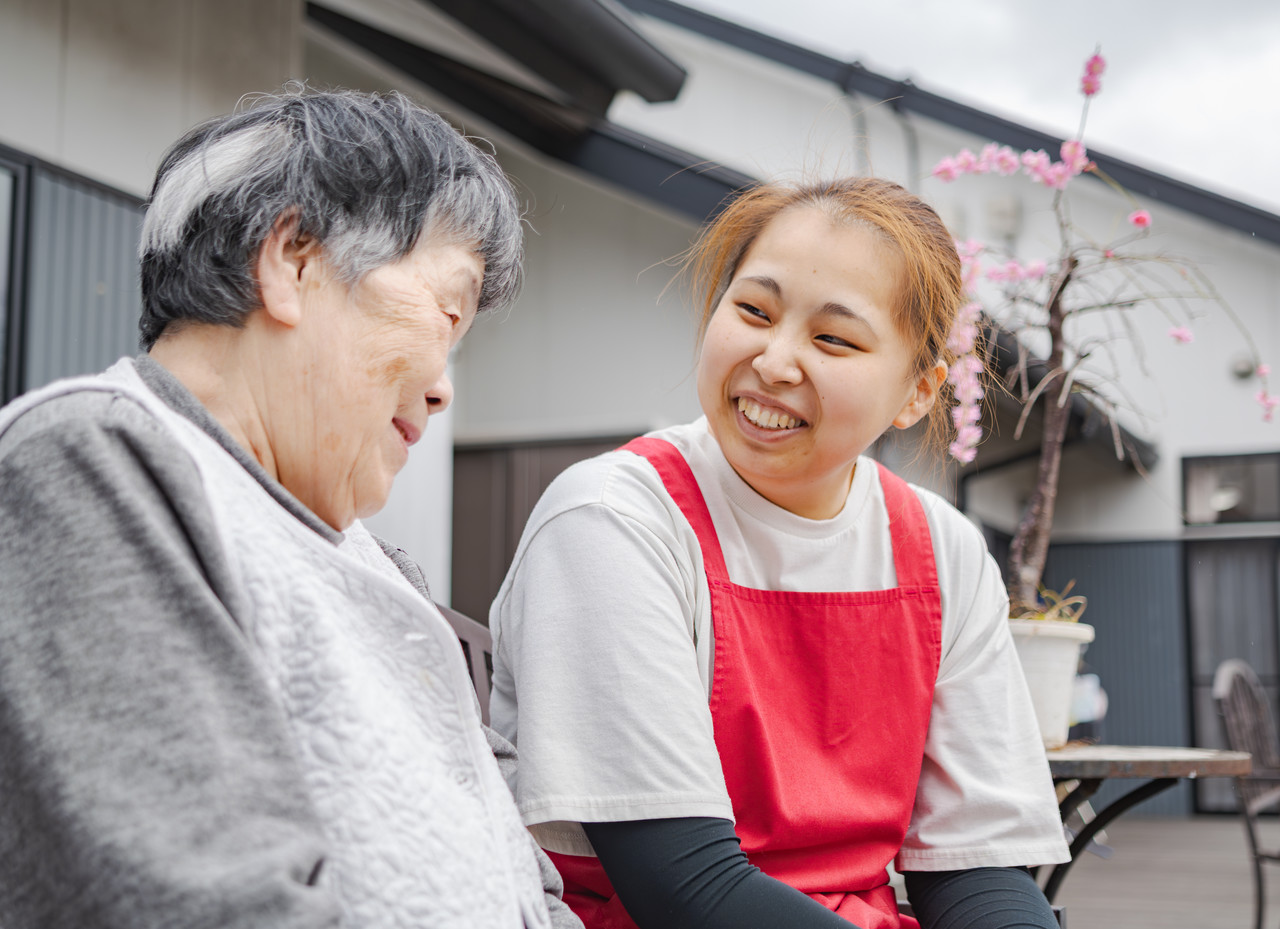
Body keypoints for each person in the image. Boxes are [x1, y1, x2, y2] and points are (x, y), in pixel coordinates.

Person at [0, 90, 579, 929]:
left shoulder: (383, 568)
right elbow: (209, 902)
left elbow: (528, 884)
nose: (445, 385)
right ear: (293, 260)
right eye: (447, 313)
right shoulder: (94, 464)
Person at [489, 178, 1070, 929]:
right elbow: (681, 884)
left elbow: (974, 869)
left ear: (919, 392)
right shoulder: (613, 519)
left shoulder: (941, 550)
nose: (774, 360)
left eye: (833, 339)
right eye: (753, 311)